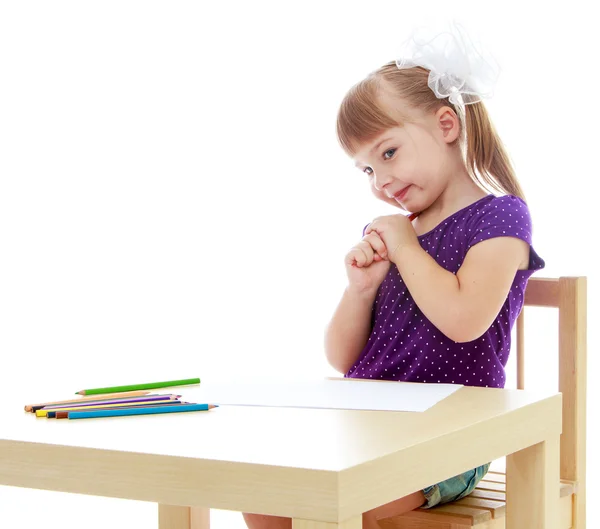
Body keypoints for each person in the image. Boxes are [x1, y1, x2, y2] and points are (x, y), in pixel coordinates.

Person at [243, 20, 545, 529]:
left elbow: (464, 319)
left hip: (451, 439)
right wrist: (359, 291)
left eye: (387, 153)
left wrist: (405, 249)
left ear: (446, 126)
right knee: (266, 498)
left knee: (333, 509)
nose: (380, 181)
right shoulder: (394, 233)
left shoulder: (501, 217)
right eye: (366, 170)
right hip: (372, 425)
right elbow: (343, 359)